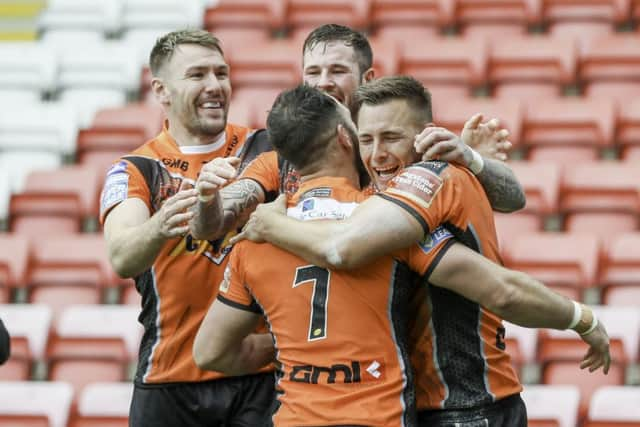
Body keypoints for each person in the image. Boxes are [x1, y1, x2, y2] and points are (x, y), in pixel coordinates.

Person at [230, 78, 611, 427]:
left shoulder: (429, 180)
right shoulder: (388, 197)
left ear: (427, 137)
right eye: (367, 139)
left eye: (392, 137)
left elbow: (503, 289)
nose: (377, 154)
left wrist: (583, 319)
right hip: (434, 406)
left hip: (466, 407)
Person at [190, 24, 525, 242]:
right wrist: (207, 197)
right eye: (313, 72)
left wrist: (471, 160)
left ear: (367, 78)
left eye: (337, 70)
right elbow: (209, 227)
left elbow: (513, 199)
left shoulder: (410, 143)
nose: (323, 83)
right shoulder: (281, 160)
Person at [100, 29, 274, 427]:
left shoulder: (265, 148)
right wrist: (161, 224)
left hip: (259, 376)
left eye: (222, 73)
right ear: (161, 90)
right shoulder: (137, 168)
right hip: (170, 377)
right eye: (197, 75)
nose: (215, 86)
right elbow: (123, 257)